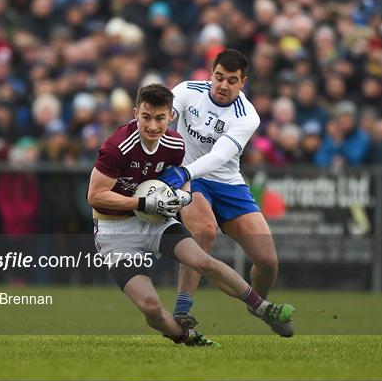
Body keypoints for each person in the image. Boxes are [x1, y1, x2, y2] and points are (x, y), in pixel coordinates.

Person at [87, 83, 294, 347]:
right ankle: (185, 336)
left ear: (171, 116)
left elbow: (181, 178)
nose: (152, 126)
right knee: (150, 307)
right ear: (136, 112)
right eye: (146, 117)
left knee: (204, 261)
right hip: (115, 231)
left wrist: (184, 195)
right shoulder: (117, 147)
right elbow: (94, 196)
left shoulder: (174, 143)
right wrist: (141, 203)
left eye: (160, 118)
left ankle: (263, 307)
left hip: (155, 221)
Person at [158, 49, 295, 337]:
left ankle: (257, 304)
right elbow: (160, 116)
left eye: (231, 80)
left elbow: (220, 157)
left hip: (227, 184)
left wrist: (185, 171)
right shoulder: (186, 91)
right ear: (211, 73)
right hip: (192, 181)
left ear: (242, 82)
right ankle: (182, 308)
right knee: (205, 233)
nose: (222, 85)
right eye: (218, 77)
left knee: (268, 262)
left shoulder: (247, 116)